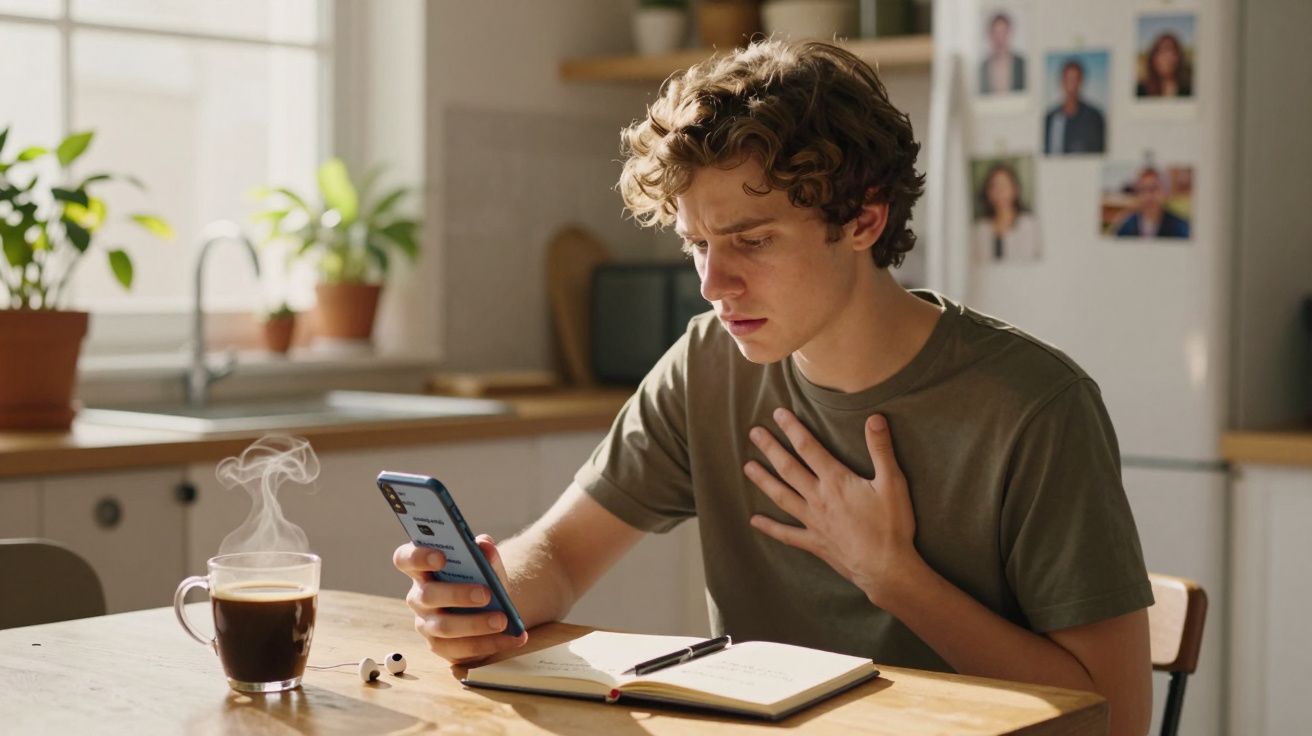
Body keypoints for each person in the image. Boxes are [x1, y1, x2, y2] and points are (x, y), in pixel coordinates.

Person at [395, 40, 1153, 736]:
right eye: (697, 244)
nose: (713, 284)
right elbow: (561, 556)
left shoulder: (1035, 406)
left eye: (752, 241)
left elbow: (1116, 719)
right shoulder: (706, 365)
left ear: (864, 220)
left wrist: (894, 577)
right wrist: (487, 597)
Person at [974, 162, 1040, 261]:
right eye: (995, 186)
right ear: (988, 192)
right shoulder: (979, 229)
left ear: (1015, 189)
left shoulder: (1030, 225)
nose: (1000, 191)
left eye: (1004, 185)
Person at [1043, 59, 1106, 154]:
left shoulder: (1094, 117)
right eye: (1068, 80)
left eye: (1075, 80)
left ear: (1081, 82)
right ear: (1062, 81)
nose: (1071, 85)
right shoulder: (1050, 118)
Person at [1115, 167, 1190, 238]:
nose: (1148, 196)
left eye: (1154, 189)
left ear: (1166, 192)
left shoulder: (1181, 228)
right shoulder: (1126, 226)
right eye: (1143, 190)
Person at [979, 12, 1026, 94]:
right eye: (996, 33)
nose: (999, 38)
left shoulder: (1021, 63)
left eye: (1003, 32)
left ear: (1009, 33)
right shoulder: (983, 67)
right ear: (990, 35)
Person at [1136, 31, 1192, 98]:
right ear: (1153, 58)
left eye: (1171, 51)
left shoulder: (1189, 89)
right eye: (1162, 52)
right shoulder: (1140, 90)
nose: (1167, 58)